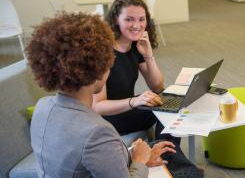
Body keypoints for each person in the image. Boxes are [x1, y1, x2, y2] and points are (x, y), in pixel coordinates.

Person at [27, 12, 176, 177]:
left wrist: (135, 156)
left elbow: (87, 156)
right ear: (98, 70)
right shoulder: (98, 132)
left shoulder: (42, 106)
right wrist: (140, 161)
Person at [92, 0, 178, 143]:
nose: (137, 25)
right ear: (115, 21)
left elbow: (157, 85)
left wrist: (148, 55)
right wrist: (134, 101)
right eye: (129, 19)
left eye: (141, 19)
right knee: (169, 108)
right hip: (109, 119)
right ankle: (169, 156)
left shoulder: (133, 46)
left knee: (170, 99)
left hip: (128, 108)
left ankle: (167, 153)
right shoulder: (104, 52)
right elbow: (97, 106)